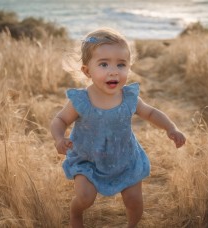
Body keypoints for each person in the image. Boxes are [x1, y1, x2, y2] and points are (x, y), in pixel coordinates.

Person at [50, 27, 186, 228]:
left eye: (121, 64)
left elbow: (150, 112)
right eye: (103, 64)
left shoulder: (129, 97)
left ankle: (132, 225)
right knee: (85, 197)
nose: (113, 70)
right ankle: (76, 213)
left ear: (128, 68)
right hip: (88, 159)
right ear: (87, 71)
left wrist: (171, 128)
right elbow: (60, 120)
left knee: (134, 201)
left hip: (125, 158)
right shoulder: (82, 100)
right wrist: (59, 138)